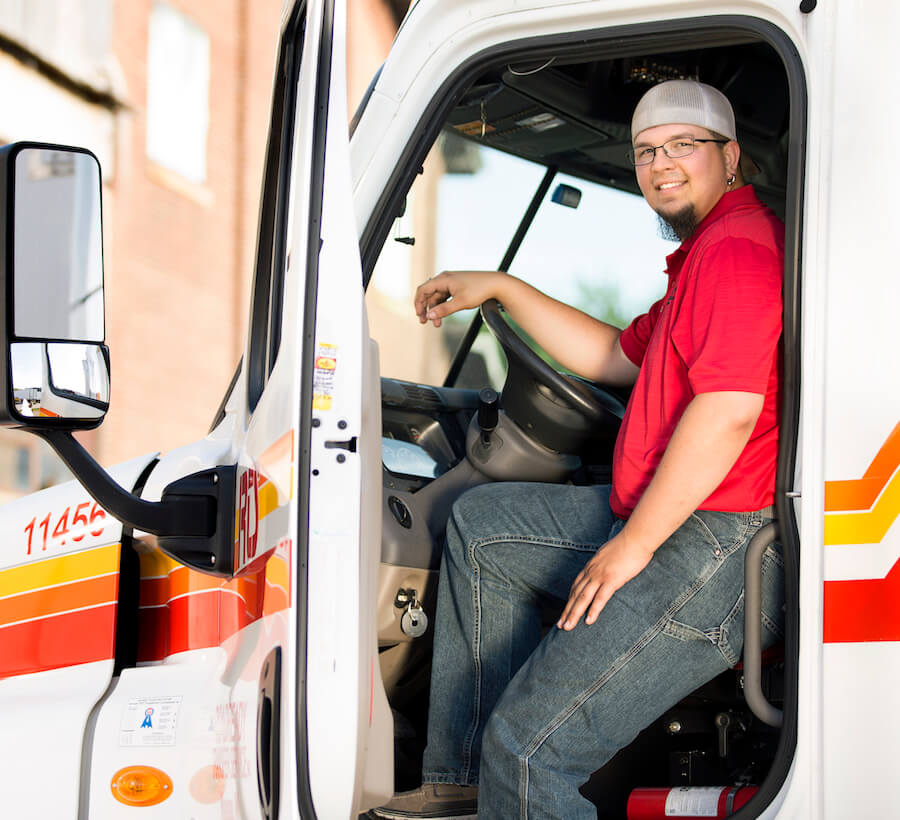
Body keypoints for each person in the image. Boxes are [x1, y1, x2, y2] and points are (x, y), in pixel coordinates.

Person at [372, 79, 786, 820]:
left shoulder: (739, 253)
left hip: (716, 543)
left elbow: (726, 414)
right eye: (647, 150)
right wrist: (502, 287)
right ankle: (465, 781)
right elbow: (615, 357)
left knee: (531, 753)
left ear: (731, 158)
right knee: (484, 526)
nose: (661, 164)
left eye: (683, 146)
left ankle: (502, 776)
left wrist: (633, 545)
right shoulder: (708, 252)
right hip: (678, 520)